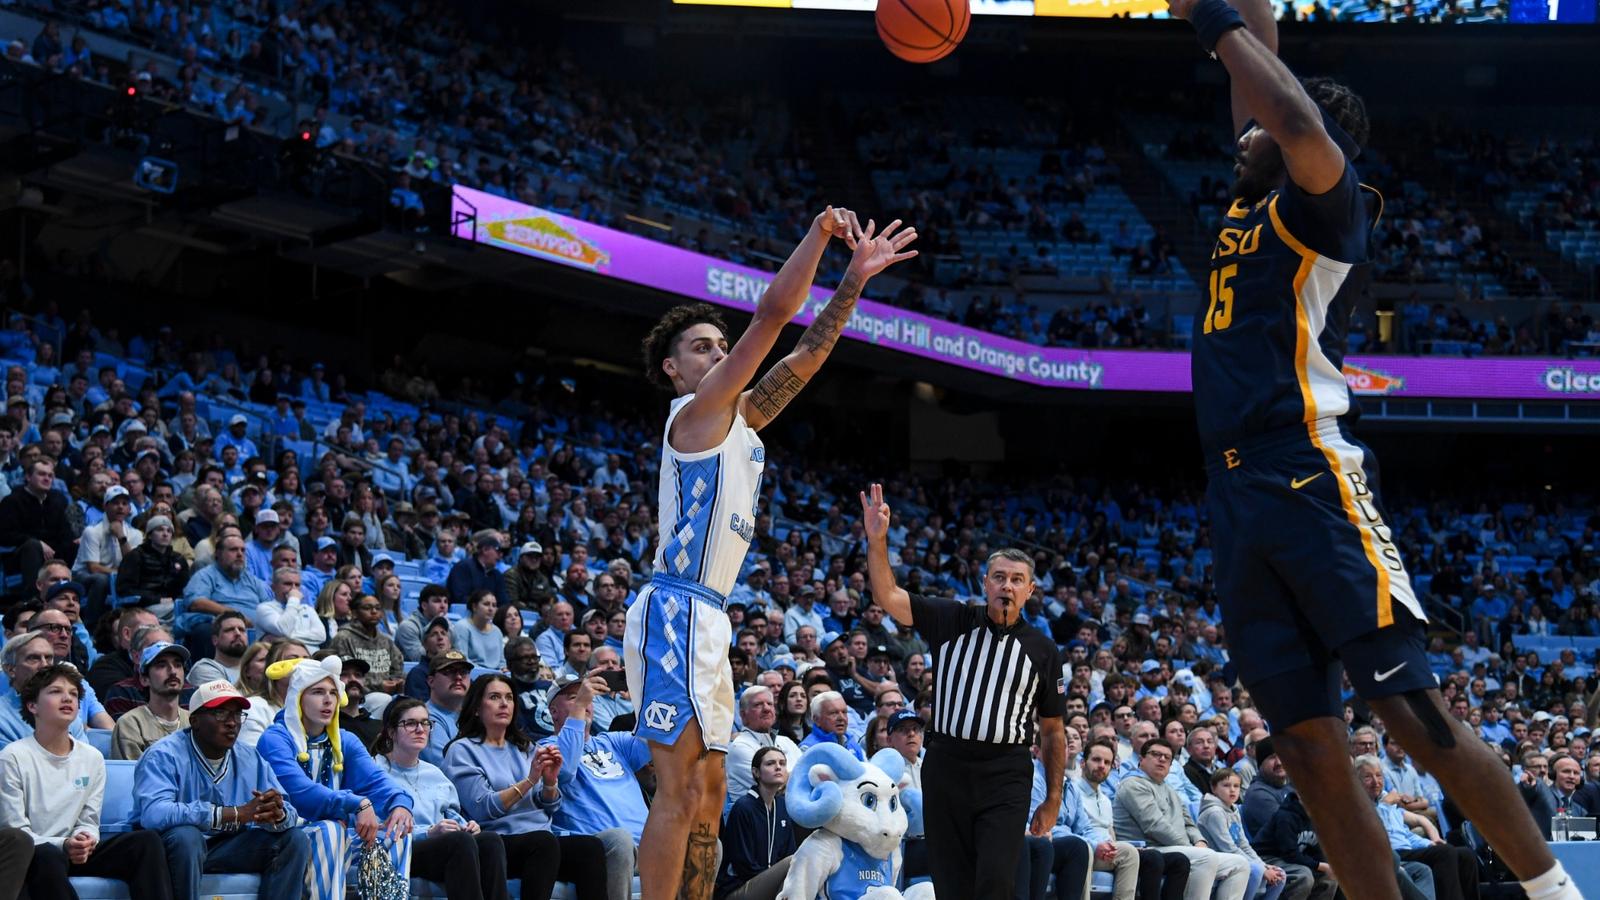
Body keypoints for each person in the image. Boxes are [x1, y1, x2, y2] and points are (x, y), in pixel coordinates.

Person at [1169, 0, 1570, 894]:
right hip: (1234, 493)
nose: (1239, 137)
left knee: (1405, 710)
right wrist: (1244, 16)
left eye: (1257, 130)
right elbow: (1258, 69)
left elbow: (1288, 110)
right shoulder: (1252, 193)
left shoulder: (1326, 203)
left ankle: (1555, 891)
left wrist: (1206, 19)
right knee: (1308, 751)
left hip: (1309, 468)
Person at [626, 207, 916, 900]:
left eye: (719, 343)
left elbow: (807, 354)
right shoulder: (693, 416)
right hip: (677, 608)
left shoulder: (741, 419)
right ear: (673, 369)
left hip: (712, 617)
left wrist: (854, 280)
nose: (718, 352)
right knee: (677, 786)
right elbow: (772, 320)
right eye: (702, 347)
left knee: (711, 787)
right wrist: (820, 238)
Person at [862, 483, 1066, 900]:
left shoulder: (1044, 651)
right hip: (947, 765)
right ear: (984, 583)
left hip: (1006, 772)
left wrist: (1054, 798)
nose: (1006, 586)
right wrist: (877, 540)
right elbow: (887, 595)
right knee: (952, 882)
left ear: (1030, 590)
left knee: (994, 880)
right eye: (999, 578)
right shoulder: (951, 619)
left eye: (1016, 580)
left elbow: (1053, 732)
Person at [0, 663, 173, 899]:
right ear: (32, 706)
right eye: (55, 692)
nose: (67, 698)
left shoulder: (92, 757)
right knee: (47, 855)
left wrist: (85, 839)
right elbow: (16, 831)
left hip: (75, 851)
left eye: (73, 694)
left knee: (145, 842)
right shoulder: (12, 756)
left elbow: (89, 819)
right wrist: (64, 844)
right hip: (37, 853)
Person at [133, 679, 312, 900]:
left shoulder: (250, 756)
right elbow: (153, 813)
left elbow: (287, 809)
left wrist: (278, 814)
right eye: (221, 713)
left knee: (294, 839)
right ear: (195, 720)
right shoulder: (163, 754)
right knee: (187, 837)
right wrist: (233, 814)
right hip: (174, 851)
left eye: (237, 714)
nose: (232, 723)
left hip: (228, 848)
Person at [257, 655, 415, 900]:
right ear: (298, 697)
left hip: (338, 834)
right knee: (330, 830)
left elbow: (377, 781)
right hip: (288, 835)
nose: (328, 699)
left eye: (333, 692)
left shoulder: (345, 740)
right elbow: (301, 793)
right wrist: (357, 803)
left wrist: (400, 803)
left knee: (398, 834)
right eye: (318, 692)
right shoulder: (275, 739)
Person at [443, 673, 607, 900]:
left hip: (542, 841)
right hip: (497, 843)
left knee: (590, 848)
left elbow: (548, 806)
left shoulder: (525, 746)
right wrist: (529, 780)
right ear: (477, 708)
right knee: (543, 842)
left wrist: (550, 782)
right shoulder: (462, 750)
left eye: (509, 698)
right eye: (494, 697)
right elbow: (483, 808)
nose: (504, 704)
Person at [371, 697, 510, 900]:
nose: (420, 729)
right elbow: (375, 828)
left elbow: (452, 815)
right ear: (391, 732)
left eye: (425, 723)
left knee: (490, 841)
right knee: (459, 843)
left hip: (445, 847)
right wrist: (428, 833)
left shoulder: (435, 773)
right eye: (410, 723)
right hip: (399, 850)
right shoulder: (375, 771)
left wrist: (467, 826)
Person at [542, 673, 653, 900]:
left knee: (702, 843)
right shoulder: (545, 748)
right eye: (574, 697)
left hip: (648, 849)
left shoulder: (612, 741)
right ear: (553, 711)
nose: (585, 704)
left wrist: (648, 689)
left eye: (587, 698)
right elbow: (564, 772)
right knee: (620, 840)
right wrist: (579, 708)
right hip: (599, 849)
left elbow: (655, 738)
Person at [1114, 737, 1251, 900]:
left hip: (1177, 848)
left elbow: (1189, 823)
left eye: (1167, 757)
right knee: (1207, 857)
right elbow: (1155, 826)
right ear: (1142, 759)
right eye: (1156, 754)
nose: (1162, 759)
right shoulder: (1133, 785)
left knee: (1239, 864)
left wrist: (1200, 842)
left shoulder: (1169, 789)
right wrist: (1191, 847)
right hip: (1150, 849)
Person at [1355, 755, 1479, 900]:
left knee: (1465, 855)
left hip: (1408, 849)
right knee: (1444, 853)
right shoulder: (1358, 804)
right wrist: (1384, 806)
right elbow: (1370, 831)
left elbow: (1405, 834)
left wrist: (1429, 843)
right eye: (1368, 777)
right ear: (1357, 780)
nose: (1376, 782)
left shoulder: (1387, 800)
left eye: (1379, 775)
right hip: (1391, 853)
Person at [1199, 768, 1293, 900]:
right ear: (1214, 788)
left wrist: (1263, 864)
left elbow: (1243, 843)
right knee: (1256, 871)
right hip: (1221, 860)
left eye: (1236, 786)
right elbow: (1228, 848)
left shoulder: (1234, 809)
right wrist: (1261, 868)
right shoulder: (1214, 812)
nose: (1232, 790)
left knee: (1280, 874)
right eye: (1226, 785)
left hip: (1238, 857)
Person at [718, 745, 798, 899]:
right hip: (738, 888)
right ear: (756, 772)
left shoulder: (782, 806)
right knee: (793, 863)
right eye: (770, 764)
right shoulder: (744, 807)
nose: (778, 767)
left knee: (795, 869)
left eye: (782, 763)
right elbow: (743, 866)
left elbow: (789, 851)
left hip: (769, 885)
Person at [179, 533, 270, 660]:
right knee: (205, 631)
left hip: (256, 632)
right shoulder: (205, 575)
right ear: (218, 553)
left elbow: (270, 606)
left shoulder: (253, 581)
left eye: (243, 550)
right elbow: (196, 602)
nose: (239, 554)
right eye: (233, 550)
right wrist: (236, 616)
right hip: (222, 629)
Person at [0, 459, 74, 592]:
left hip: (54, 554)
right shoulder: (12, 501)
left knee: (76, 544)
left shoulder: (57, 501)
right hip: (20, 556)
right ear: (28, 477)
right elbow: (5, 535)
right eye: (41, 474)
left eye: (50, 475)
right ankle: (34, 599)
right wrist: (37, 542)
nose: (47, 478)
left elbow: (66, 533)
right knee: (33, 546)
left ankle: (70, 594)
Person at [725, 685, 802, 812]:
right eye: (758, 705)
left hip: (784, 818)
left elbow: (807, 777)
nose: (766, 709)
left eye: (770, 704)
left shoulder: (786, 741)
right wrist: (798, 776)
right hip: (752, 823)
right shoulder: (739, 747)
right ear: (743, 716)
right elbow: (774, 787)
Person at [111, 640, 191, 760]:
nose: (173, 671)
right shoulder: (131, 724)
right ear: (144, 679)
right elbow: (134, 775)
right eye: (161, 665)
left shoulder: (194, 722)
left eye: (178, 665)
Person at [74, 484, 142, 621]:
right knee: (101, 580)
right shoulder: (92, 531)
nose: (120, 507)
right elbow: (93, 568)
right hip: (84, 576)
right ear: (105, 506)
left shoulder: (136, 534)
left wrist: (121, 537)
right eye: (115, 503)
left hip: (116, 577)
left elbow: (133, 565)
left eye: (124, 503)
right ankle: (91, 624)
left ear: (129, 509)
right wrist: (120, 573)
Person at [326, 594, 405, 695]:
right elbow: (343, 677)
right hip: (356, 696)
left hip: (387, 694)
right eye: (367, 608)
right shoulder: (343, 638)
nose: (374, 611)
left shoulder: (386, 641)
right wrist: (379, 687)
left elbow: (398, 668)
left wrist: (396, 682)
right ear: (354, 613)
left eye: (378, 608)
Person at [116, 513, 191, 615]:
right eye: (160, 530)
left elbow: (185, 588)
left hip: (173, 605)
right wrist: (157, 599)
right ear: (150, 535)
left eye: (169, 531)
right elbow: (125, 589)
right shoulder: (135, 556)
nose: (165, 534)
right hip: (143, 607)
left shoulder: (178, 559)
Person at [256, 566, 330, 650]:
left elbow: (321, 636)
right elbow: (283, 630)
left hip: (311, 659)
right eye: (287, 584)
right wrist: (294, 599)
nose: (293, 588)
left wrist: (283, 638)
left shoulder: (307, 609)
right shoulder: (264, 608)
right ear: (273, 587)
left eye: (297, 585)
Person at [423, 649, 474, 766]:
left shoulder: (476, 714)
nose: (458, 677)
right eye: (450, 671)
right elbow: (448, 767)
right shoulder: (425, 719)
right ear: (431, 681)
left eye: (464, 672)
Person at [187, 610, 251, 687]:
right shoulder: (204, 669)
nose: (238, 633)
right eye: (229, 630)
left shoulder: (255, 668)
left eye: (241, 630)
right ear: (215, 640)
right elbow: (228, 698)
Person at [453, 589, 506, 670]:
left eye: (494, 605)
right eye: (486, 604)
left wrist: (503, 669)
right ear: (474, 607)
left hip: (496, 675)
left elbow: (502, 662)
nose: (491, 609)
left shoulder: (497, 631)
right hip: (472, 672)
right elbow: (462, 659)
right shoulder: (462, 626)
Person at [396, 584, 450, 662]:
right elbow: (419, 658)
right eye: (437, 601)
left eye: (445, 601)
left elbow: (458, 653)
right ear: (424, 605)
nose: (443, 606)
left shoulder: (448, 625)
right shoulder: (408, 627)